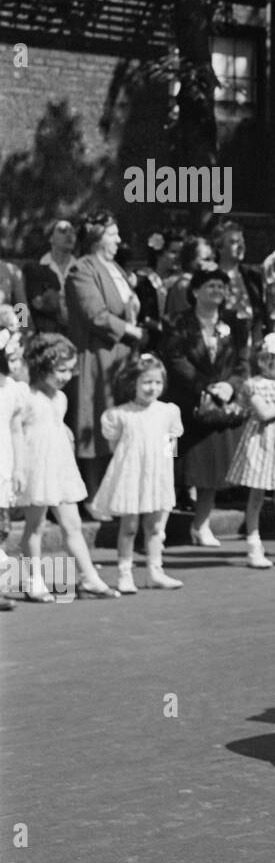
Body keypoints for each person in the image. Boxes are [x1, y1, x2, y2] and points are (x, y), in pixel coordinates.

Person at [15, 334, 119, 599]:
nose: (65, 376)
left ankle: (89, 577)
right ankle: (33, 580)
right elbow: (17, 431)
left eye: (69, 370)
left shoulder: (60, 398)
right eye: (60, 370)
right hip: (36, 467)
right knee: (35, 526)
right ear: (41, 365)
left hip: (60, 466)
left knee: (72, 524)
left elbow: (57, 427)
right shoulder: (26, 396)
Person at [162, 267, 250, 547]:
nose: (217, 291)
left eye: (221, 287)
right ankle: (157, 529)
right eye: (210, 286)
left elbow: (242, 362)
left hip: (219, 409)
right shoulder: (175, 321)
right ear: (195, 291)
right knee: (169, 466)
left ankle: (201, 525)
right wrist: (205, 386)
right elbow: (175, 359)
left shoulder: (234, 323)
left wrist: (231, 386)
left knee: (210, 471)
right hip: (184, 405)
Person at [89, 353, 185, 593]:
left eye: (157, 382)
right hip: (132, 476)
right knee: (129, 526)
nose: (152, 388)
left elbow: (170, 444)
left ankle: (155, 571)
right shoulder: (121, 414)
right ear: (133, 383)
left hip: (157, 475)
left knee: (154, 527)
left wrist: (166, 474)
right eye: (146, 382)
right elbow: (116, 444)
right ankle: (125, 573)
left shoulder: (168, 411)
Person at [65, 213, 144, 493]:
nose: (119, 240)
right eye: (113, 234)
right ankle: (92, 491)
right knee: (95, 415)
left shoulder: (115, 269)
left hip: (120, 354)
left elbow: (19, 305)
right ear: (96, 236)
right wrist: (26, 324)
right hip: (92, 349)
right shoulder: (75, 269)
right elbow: (24, 304)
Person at [225, 333, 275, 569]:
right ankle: (254, 546)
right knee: (256, 495)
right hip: (261, 441)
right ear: (266, 360)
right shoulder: (254, 384)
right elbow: (262, 413)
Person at [0, 316, 29, 609]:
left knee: (2, 530)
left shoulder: (13, 389)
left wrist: (20, 467)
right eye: (12, 355)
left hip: (3, 469)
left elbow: (16, 429)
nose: (17, 359)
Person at [211, 221, 266, 349]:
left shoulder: (253, 276)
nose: (241, 246)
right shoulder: (211, 277)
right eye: (234, 242)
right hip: (222, 347)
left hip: (251, 348)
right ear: (219, 247)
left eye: (242, 242)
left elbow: (258, 317)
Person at [133, 231, 185, 356]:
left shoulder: (183, 281)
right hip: (150, 344)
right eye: (173, 252)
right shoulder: (143, 279)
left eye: (181, 253)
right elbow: (140, 315)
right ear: (159, 254)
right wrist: (162, 327)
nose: (178, 257)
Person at [25, 217, 77, 334]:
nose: (69, 234)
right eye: (63, 231)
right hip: (45, 334)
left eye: (72, 231)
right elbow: (21, 304)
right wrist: (23, 330)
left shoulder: (83, 268)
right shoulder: (34, 268)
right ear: (50, 238)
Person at [163, 236, 216, 320]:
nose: (211, 263)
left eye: (212, 259)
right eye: (206, 259)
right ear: (190, 260)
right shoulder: (184, 285)